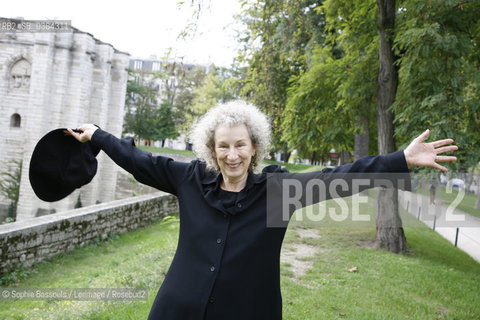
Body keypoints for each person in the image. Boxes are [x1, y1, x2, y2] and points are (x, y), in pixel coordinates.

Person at [67, 100, 457, 320]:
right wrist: (97, 135)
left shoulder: (278, 192)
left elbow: (343, 175)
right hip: (177, 311)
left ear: (254, 147)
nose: (232, 155)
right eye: (223, 146)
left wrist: (400, 160)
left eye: (240, 145)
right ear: (211, 148)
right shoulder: (188, 180)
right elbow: (140, 160)